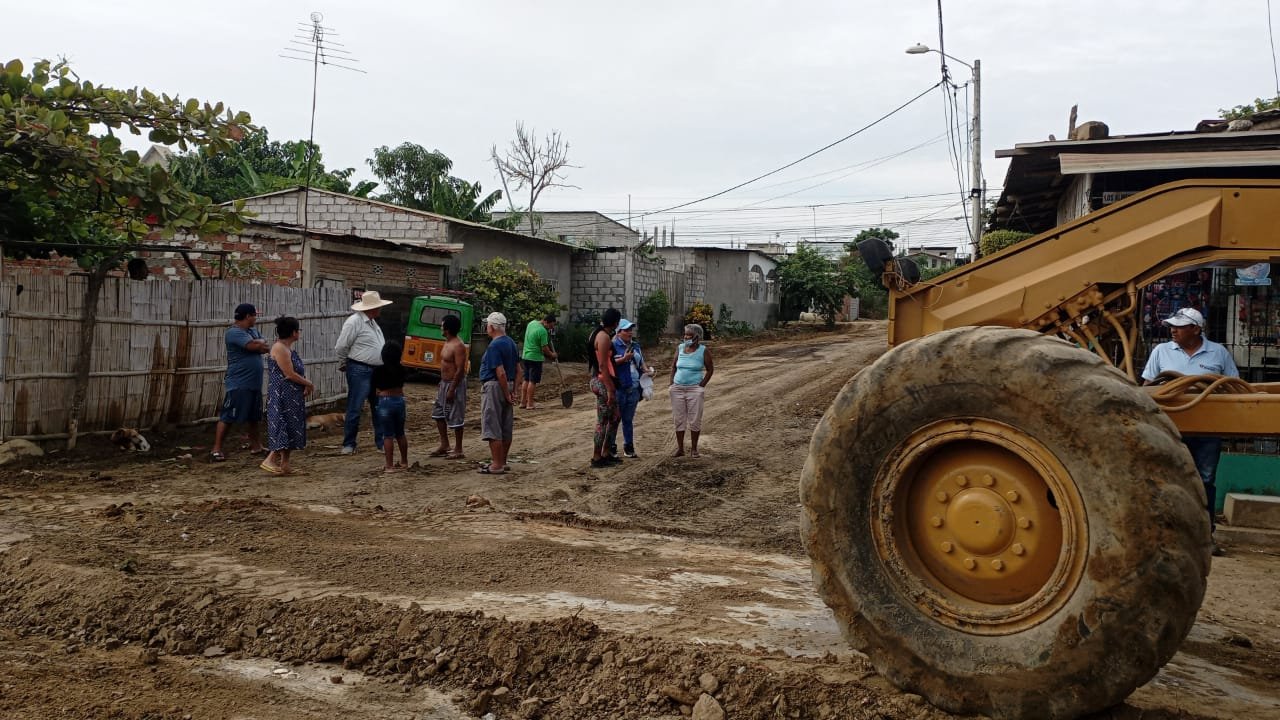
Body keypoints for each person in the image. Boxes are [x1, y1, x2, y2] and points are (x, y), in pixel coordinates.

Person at [1141, 307, 1239, 556]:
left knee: (1205, 480)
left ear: (1196, 329)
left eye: (1179, 326)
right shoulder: (1162, 351)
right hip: (1169, 427)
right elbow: (1148, 386)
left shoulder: (1218, 352)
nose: (1173, 330)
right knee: (1167, 478)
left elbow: (1233, 385)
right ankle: (1166, 536)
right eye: (1172, 326)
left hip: (1208, 428)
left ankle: (1205, 536)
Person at [335, 290, 392, 455]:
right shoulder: (354, 322)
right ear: (372, 308)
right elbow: (341, 346)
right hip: (360, 368)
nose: (380, 309)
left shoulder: (372, 323)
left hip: (375, 369)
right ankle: (349, 443)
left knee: (377, 406)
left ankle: (380, 442)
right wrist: (344, 362)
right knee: (355, 406)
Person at [211, 303, 269, 462]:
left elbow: (264, 346)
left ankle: (256, 446)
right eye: (254, 315)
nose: (256, 318)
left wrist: (259, 344)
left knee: (254, 417)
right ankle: (216, 449)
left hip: (254, 382)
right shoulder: (234, 332)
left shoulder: (251, 331)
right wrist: (258, 344)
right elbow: (253, 346)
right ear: (248, 316)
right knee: (228, 416)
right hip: (239, 382)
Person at [262, 316, 313, 475]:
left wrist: (303, 384)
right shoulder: (280, 348)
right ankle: (270, 459)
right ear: (294, 332)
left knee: (291, 426)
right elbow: (289, 374)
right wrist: (308, 383)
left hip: (291, 395)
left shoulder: (286, 348)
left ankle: (285, 464)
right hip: (282, 395)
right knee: (282, 424)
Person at [478, 311, 520, 474]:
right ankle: (502, 461)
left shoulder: (494, 345)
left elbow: (500, 372)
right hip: (507, 385)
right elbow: (519, 370)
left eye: (488, 325)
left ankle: (496, 465)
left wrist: (506, 393)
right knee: (505, 425)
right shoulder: (511, 343)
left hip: (495, 387)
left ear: (492, 327)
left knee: (493, 425)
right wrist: (513, 391)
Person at [670, 323, 714, 458]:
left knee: (695, 419)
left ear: (697, 337)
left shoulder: (703, 351)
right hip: (677, 388)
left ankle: (694, 449)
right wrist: (671, 383)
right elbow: (674, 366)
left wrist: (702, 385)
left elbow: (710, 369)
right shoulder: (680, 348)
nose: (686, 337)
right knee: (679, 419)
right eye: (685, 335)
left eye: (689, 335)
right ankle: (680, 449)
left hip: (694, 389)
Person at [612, 319, 652, 458]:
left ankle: (628, 446)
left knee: (628, 419)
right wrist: (624, 359)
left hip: (634, 388)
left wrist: (647, 370)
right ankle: (611, 446)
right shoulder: (613, 345)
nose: (630, 333)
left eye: (631, 330)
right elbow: (608, 364)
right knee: (615, 419)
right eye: (626, 330)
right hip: (619, 388)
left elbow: (641, 362)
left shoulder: (635, 345)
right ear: (618, 332)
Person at [430, 314, 468, 460]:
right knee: (438, 414)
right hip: (444, 383)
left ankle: (458, 449)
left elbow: (460, 370)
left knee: (456, 415)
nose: (440, 327)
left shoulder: (458, 346)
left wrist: (452, 388)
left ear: (447, 329)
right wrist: (442, 382)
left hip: (454, 384)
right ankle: (445, 444)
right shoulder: (447, 342)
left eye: (442, 325)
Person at [589, 308, 623, 468]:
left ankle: (605, 452)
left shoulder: (596, 333)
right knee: (603, 420)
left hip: (600, 379)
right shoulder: (603, 337)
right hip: (602, 380)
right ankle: (597, 456)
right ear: (615, 323)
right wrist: (610, 389)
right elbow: (603, 365)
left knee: (614, 418)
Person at [373, 340, 410, 472]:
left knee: (388, 435)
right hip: (399, 400)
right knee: (400, 433)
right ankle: (404, 461)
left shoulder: (378, 371)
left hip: (385, 401)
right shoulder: (402, 370)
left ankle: (389, 465)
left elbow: (376, 388)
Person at [520, 314, 558, 409]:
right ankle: (530, 404)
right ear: (546, 322)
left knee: (526, 379)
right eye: (551, 325)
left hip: (525, 356)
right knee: (532, 381)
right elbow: (545, 348)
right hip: (535, 358)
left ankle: (523, 402)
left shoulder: (531, 323)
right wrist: (552, 354)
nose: (551, 328)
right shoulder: (542, 331)